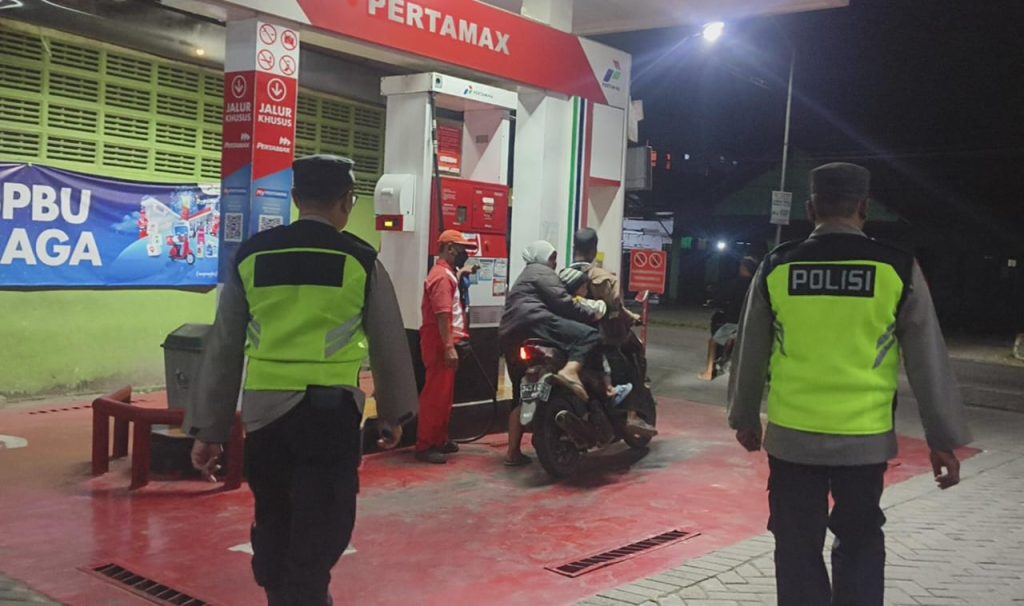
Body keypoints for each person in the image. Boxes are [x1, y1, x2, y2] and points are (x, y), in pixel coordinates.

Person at [727, 162, 972, 606]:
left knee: (796, 547)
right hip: (865, 441)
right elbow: (928, 361)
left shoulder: (777, 266)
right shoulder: (897, 268)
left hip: (793, 440)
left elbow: (750, 351)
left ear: (810, 208)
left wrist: (743, 417)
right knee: (860, 543)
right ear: (864, 207)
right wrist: (942, 440)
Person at [185, 155, 417, 606]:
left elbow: (224, 346)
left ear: (295, 199)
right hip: (329, 419)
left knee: (273, 515)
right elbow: (389, 343)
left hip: (264, 418)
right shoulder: (360, 260)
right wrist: (393, 415)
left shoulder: (252, 256)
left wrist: (209, 430)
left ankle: (280, 593)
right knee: (324, 523)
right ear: (346, 202)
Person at [498, 241, 603, 466]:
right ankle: (570, 371)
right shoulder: (542, 272)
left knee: (518, 396)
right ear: (542, 257)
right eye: (552, 257)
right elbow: (564, 303)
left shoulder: (525, 276)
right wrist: (590, 314)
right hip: (534, 322)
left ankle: (512, 453)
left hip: (510, 334)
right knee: (589, 336)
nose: (554, 262)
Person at [569, 229, 657, 435]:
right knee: (633, 355)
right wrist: (632, 319)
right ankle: (632, 414)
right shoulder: (604, 278)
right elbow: (616, 310)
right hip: (603, 337)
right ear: (594, 250)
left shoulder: (563, 275)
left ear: (574, 248)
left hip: (571, 335)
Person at [415, 229, 478, 464]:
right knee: (435, 396)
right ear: (450, 248)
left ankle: (439, 439)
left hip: (444, 340)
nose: (465, 253)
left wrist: (461, 273)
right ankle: (425, 445)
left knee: (444, 396)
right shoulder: (441, 277)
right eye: (462, 249)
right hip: (439, 342)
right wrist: (449, 347)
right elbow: (442, 314)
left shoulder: (446, 273)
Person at [699, 256, 757, 381]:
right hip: (751, 322)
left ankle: (709, 371)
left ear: (744, 268)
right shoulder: (757, 285)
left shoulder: (737, 283)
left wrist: (713, 301)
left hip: (734, 321)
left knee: (713, 342)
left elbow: (722, 296)